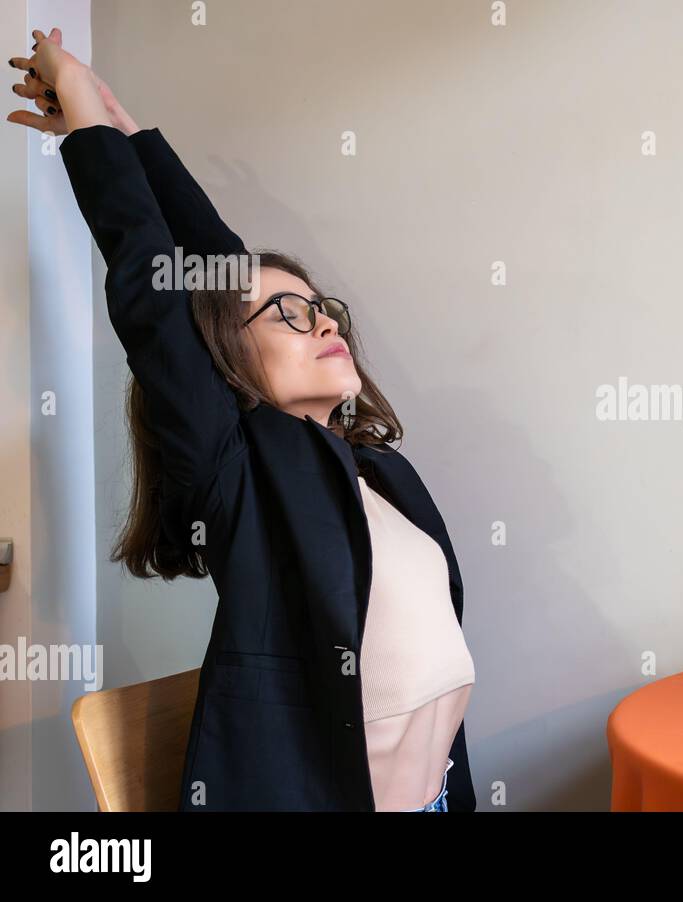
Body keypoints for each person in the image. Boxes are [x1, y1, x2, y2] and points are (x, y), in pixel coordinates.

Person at [8, 27, 475, 812]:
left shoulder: (373, 473)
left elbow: (218, 262)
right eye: (285, 316)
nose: (322, 321)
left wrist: (123, 125)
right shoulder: (242, 472)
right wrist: (81, 106)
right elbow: (160, 295)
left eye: (318, 306)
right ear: (228, 367)